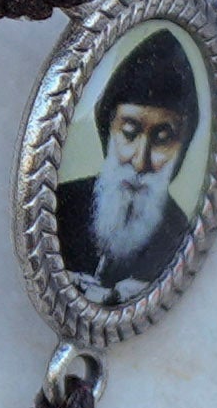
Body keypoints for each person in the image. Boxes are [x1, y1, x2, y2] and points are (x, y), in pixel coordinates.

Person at [46, 33, 207, 305]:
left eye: (163, 139)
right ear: (108, 131)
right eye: (129, 133)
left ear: (183, 147)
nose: (140, 161)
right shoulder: (59, 205)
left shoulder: (180, 236)